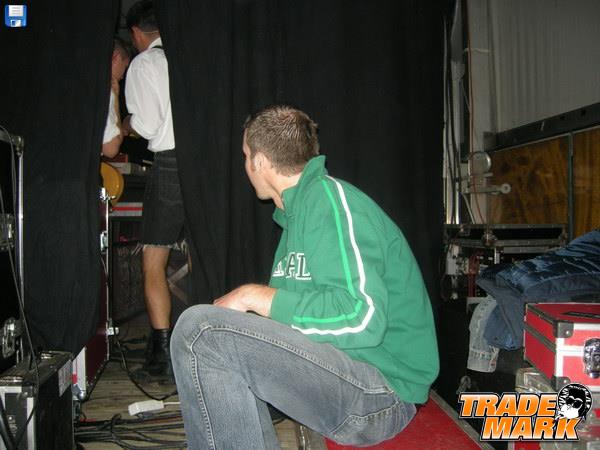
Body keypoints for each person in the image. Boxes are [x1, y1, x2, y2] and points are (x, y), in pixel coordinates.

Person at [171, 105, 439, 448]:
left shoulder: (332, 203)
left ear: (260, 162)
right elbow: (295, 325)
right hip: (353, 380)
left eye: (246, 156)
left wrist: (254, 296)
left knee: (200, 331)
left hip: (383, 395)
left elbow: (362, 317)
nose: (246, 165)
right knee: (216, 335)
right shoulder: (296, 220)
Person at [123, 0, 183, 379]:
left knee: (154, 261)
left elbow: (146, 124)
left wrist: (125, 124)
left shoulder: (145, 63)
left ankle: (163, 355)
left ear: (136, 33)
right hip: (204, 164)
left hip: (170, 165)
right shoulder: (186, 58)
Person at [102, 37, 130, 158]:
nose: (123, 76)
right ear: (116, 57)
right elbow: (111, 149)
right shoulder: (106, 89)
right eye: (125, 66)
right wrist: (116, 101)